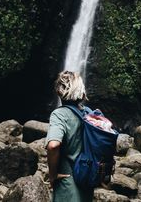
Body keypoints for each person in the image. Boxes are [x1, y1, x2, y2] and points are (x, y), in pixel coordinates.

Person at [45, 71, 93, 202]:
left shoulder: (59, 115)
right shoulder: (89, 114)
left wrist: (53, 175)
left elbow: (53, 145)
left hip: (67, 182)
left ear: (59, 91)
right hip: (87, 180)